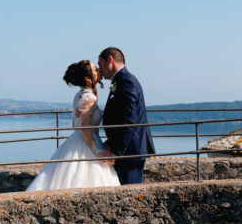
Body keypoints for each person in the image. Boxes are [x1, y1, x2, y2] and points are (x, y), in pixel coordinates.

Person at [25, 60, 119, 192]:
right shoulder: (89, 98)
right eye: (95, 69)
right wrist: (99, 151)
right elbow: (85, 129)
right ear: (88, 78)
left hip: (78, 141)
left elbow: (75, 124)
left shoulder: (80, 95)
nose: (99, 70)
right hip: (87, 144)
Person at [98, 47, 155, 185]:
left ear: (110, 60)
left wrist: (116, 151)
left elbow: (130, 120)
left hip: (130, 151)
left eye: (100, 64)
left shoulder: (127, 81)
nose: (99, 69)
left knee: (129, 193)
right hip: (125, 150)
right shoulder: (118, 80)